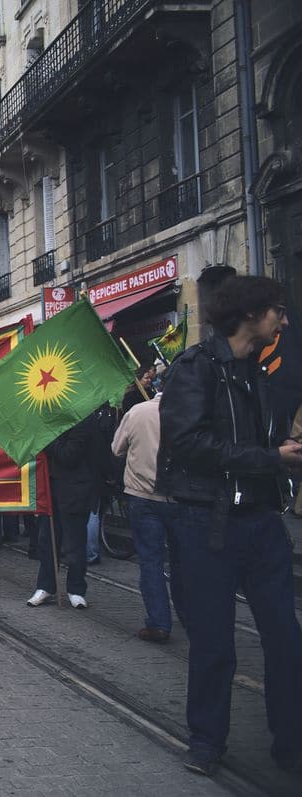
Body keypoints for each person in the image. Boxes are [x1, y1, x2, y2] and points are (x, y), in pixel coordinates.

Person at [157, 275, 302, 777]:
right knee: (214, 642)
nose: (284, 320)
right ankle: (206, 742)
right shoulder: (196, 367)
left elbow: (261, 441)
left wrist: (281, 454)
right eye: (277, 310)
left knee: (286, 638)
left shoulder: (258, 371)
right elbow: (186, 445)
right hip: (206, 522)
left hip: (260, 521)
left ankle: (291, 744)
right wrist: (270, 458)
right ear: (251, 314)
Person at [112, 389, 181, 642]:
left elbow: (117, 448)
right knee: (183, 560)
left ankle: (159, 623)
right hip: (178, 498)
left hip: (142, 496)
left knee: (151, 562)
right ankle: (189, 615)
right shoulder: (187, 412)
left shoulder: (137, 412)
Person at [27, 409, 108, 609]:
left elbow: (69, 455)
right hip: (51, 490)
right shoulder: (52, 416)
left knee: (75, 543)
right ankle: (45, 586)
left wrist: (48, 438)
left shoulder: (83, 419)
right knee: (47, 541)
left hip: (75, 491)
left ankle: (76, 589)